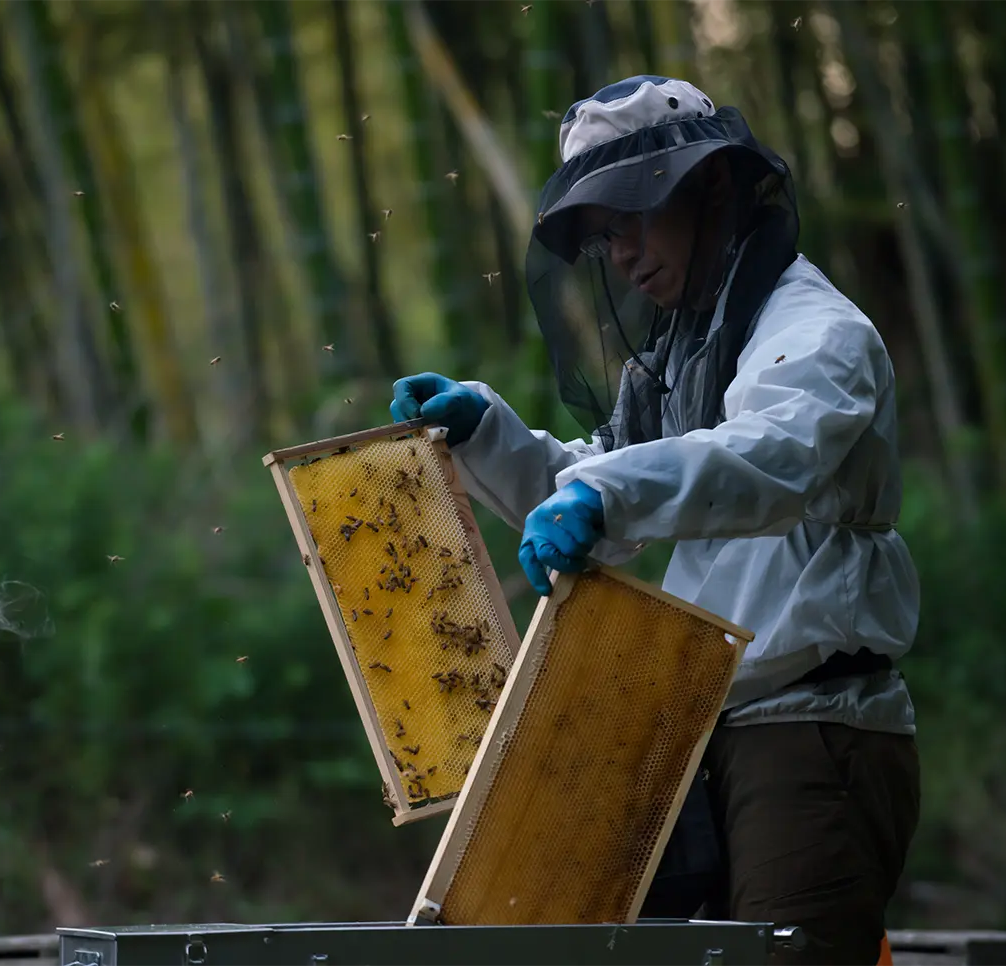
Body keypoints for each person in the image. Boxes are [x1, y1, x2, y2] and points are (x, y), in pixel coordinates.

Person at [389, 76, 919, 966]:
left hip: (811, 730)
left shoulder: (816, 332)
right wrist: (489, 434)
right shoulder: (685, 356)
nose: (623, 256)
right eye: (604, 236)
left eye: (633, 219)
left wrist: (605, 495)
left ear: (710, 189)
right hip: (698, 732)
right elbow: (610, 491)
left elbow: (764, 462)